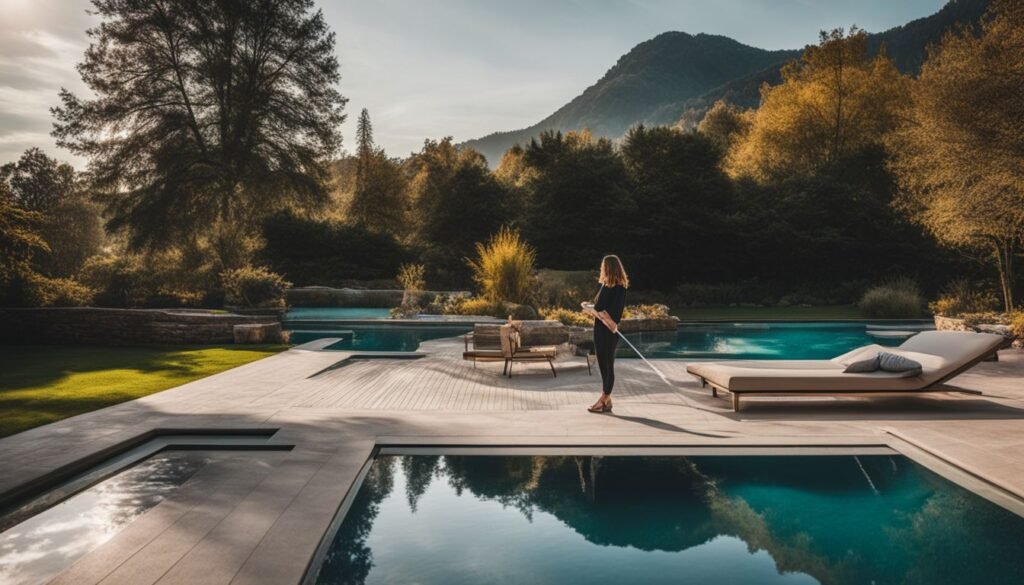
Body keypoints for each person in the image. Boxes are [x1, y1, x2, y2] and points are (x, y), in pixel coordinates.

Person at [582, 255, 628, 413]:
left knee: (607, 366)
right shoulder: (605, 285)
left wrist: (594, 311)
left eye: (603, 266)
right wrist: (590, 309)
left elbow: (613, 314)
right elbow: (600, 308)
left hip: (608, 331)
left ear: (609, 267)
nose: (601, 269)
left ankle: (603, 399)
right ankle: (607, 401)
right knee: (603, 365)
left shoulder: (619, 287)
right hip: (599, 330)